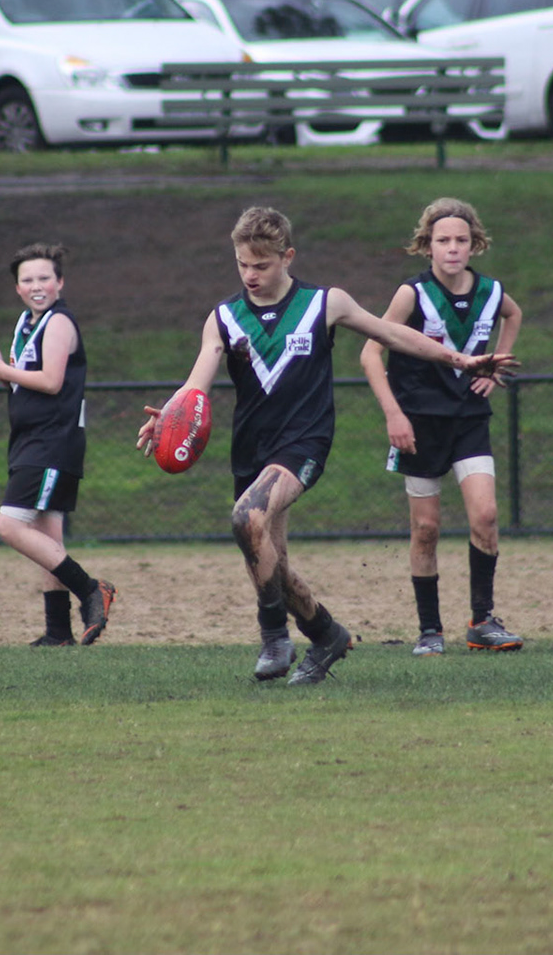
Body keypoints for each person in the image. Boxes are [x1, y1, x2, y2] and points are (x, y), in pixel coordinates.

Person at [138, 207, 515, 685]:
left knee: (245, 517)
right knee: (270, 560)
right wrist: (173, 414)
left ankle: (274, 636)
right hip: (253, 447)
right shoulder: (224, 317)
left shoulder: (324, 303)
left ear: (287, 257)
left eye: (262, 265)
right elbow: (198, 380)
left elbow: (392, 333)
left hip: (304, 441)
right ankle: (327, 634)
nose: (250, 275)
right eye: (242, 264)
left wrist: (460, 360)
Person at [360, 197, 526, 656]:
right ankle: (429, 630)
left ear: (475, 244)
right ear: (427, 245)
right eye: (443, 240)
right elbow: (370, 352)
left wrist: (495, 366)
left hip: (468, 419)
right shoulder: (411, 294)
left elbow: (513, 314)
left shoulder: (491, 291)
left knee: (486, 515)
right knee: (426, 528)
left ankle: (482, 621)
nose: (452, 248)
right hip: (419, 423)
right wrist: (393, 413)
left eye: (461, 240)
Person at [0, 243, 116, 646]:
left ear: (60, 282)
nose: (36, 285)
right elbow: (26, 381)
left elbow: (51, 381)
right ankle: (58, 632)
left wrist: (4, 369)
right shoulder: (27, 323)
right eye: (27, 279)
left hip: (52, 441)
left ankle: (90, 589)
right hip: (32, 438)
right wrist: (3, 374)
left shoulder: (59, 322)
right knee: (48, 537)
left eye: (44, 277)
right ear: (17, 288)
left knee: (11, 525)